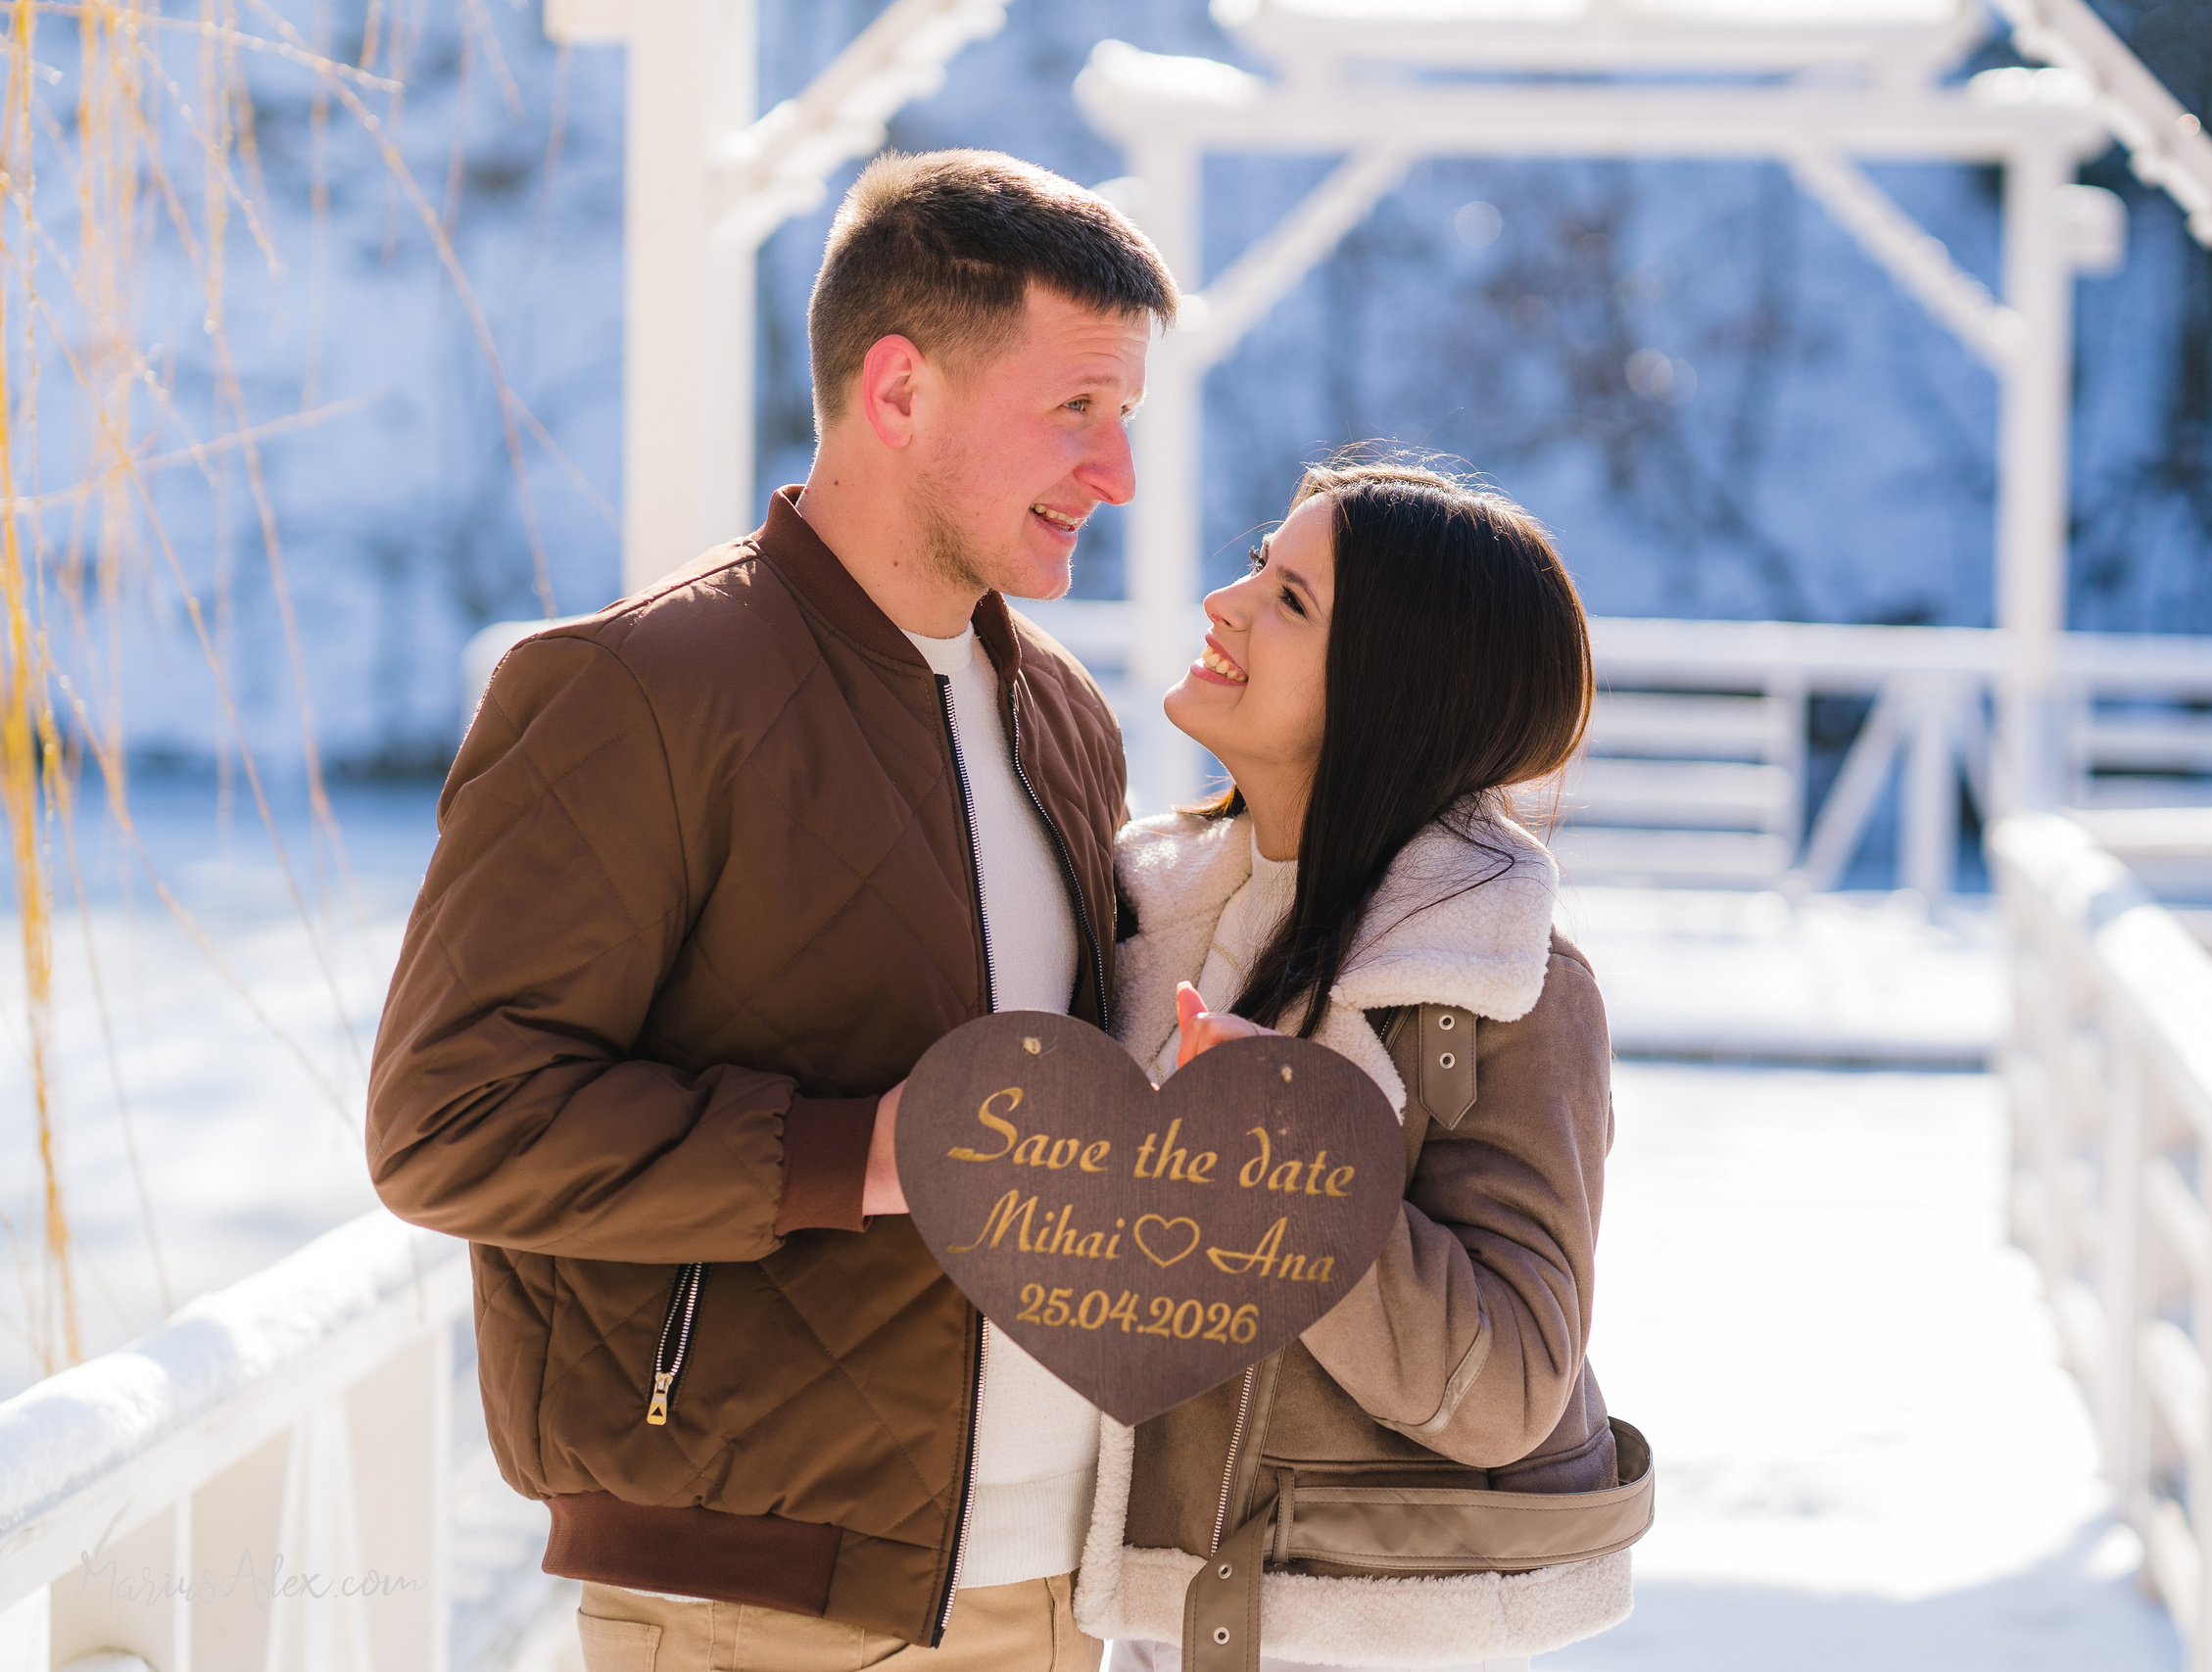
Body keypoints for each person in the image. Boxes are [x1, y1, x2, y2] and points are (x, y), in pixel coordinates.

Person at [365, 150, 1173, 1672]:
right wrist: (857, 1153)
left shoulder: (1060, 712)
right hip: (759, 1597)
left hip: (1056, 1585)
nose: (1115, 469)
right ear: (899, 391)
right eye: (1076, 408)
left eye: (1125, 416)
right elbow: (446, 1120)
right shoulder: (634, 690)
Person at [1075, 459, 1652, 1672]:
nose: (1221, 608)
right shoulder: (1141, 910)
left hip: (1361, 1631)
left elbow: (1511, 1383)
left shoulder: (1505, 987)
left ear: (1395, 690)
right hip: (1132, 1626)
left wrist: (1286, 1169)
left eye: (1289, 602)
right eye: (1255, 568)